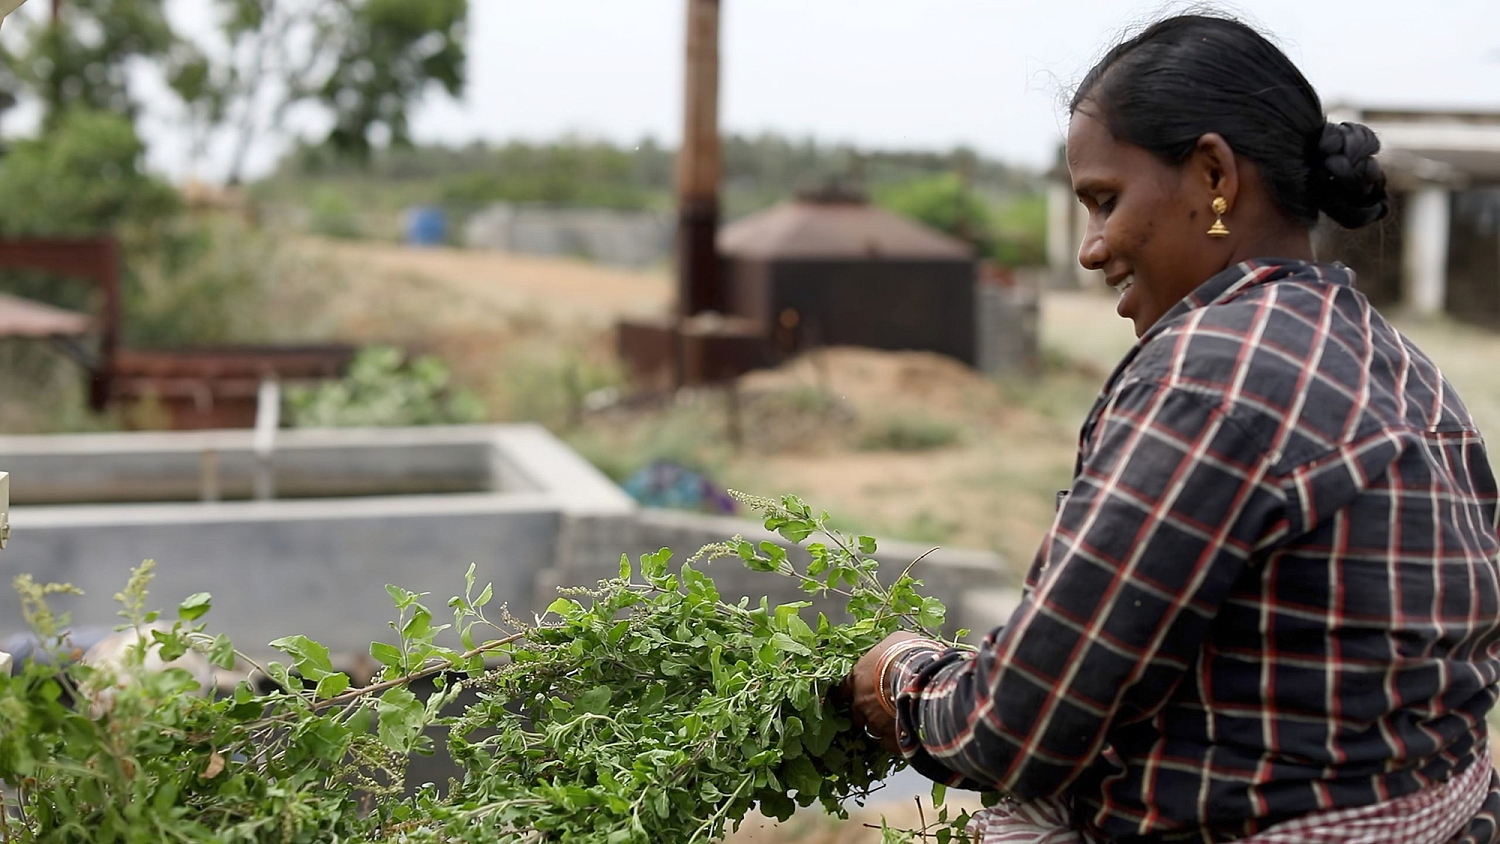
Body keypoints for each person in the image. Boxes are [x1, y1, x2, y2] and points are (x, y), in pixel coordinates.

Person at [844, 14, 1500, 844]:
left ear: (1215, 176)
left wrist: (899, 678)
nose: (1091, 249)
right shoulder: (1408, 370)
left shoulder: (1212, 374)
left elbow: (1022, 722)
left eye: (1105, 201)